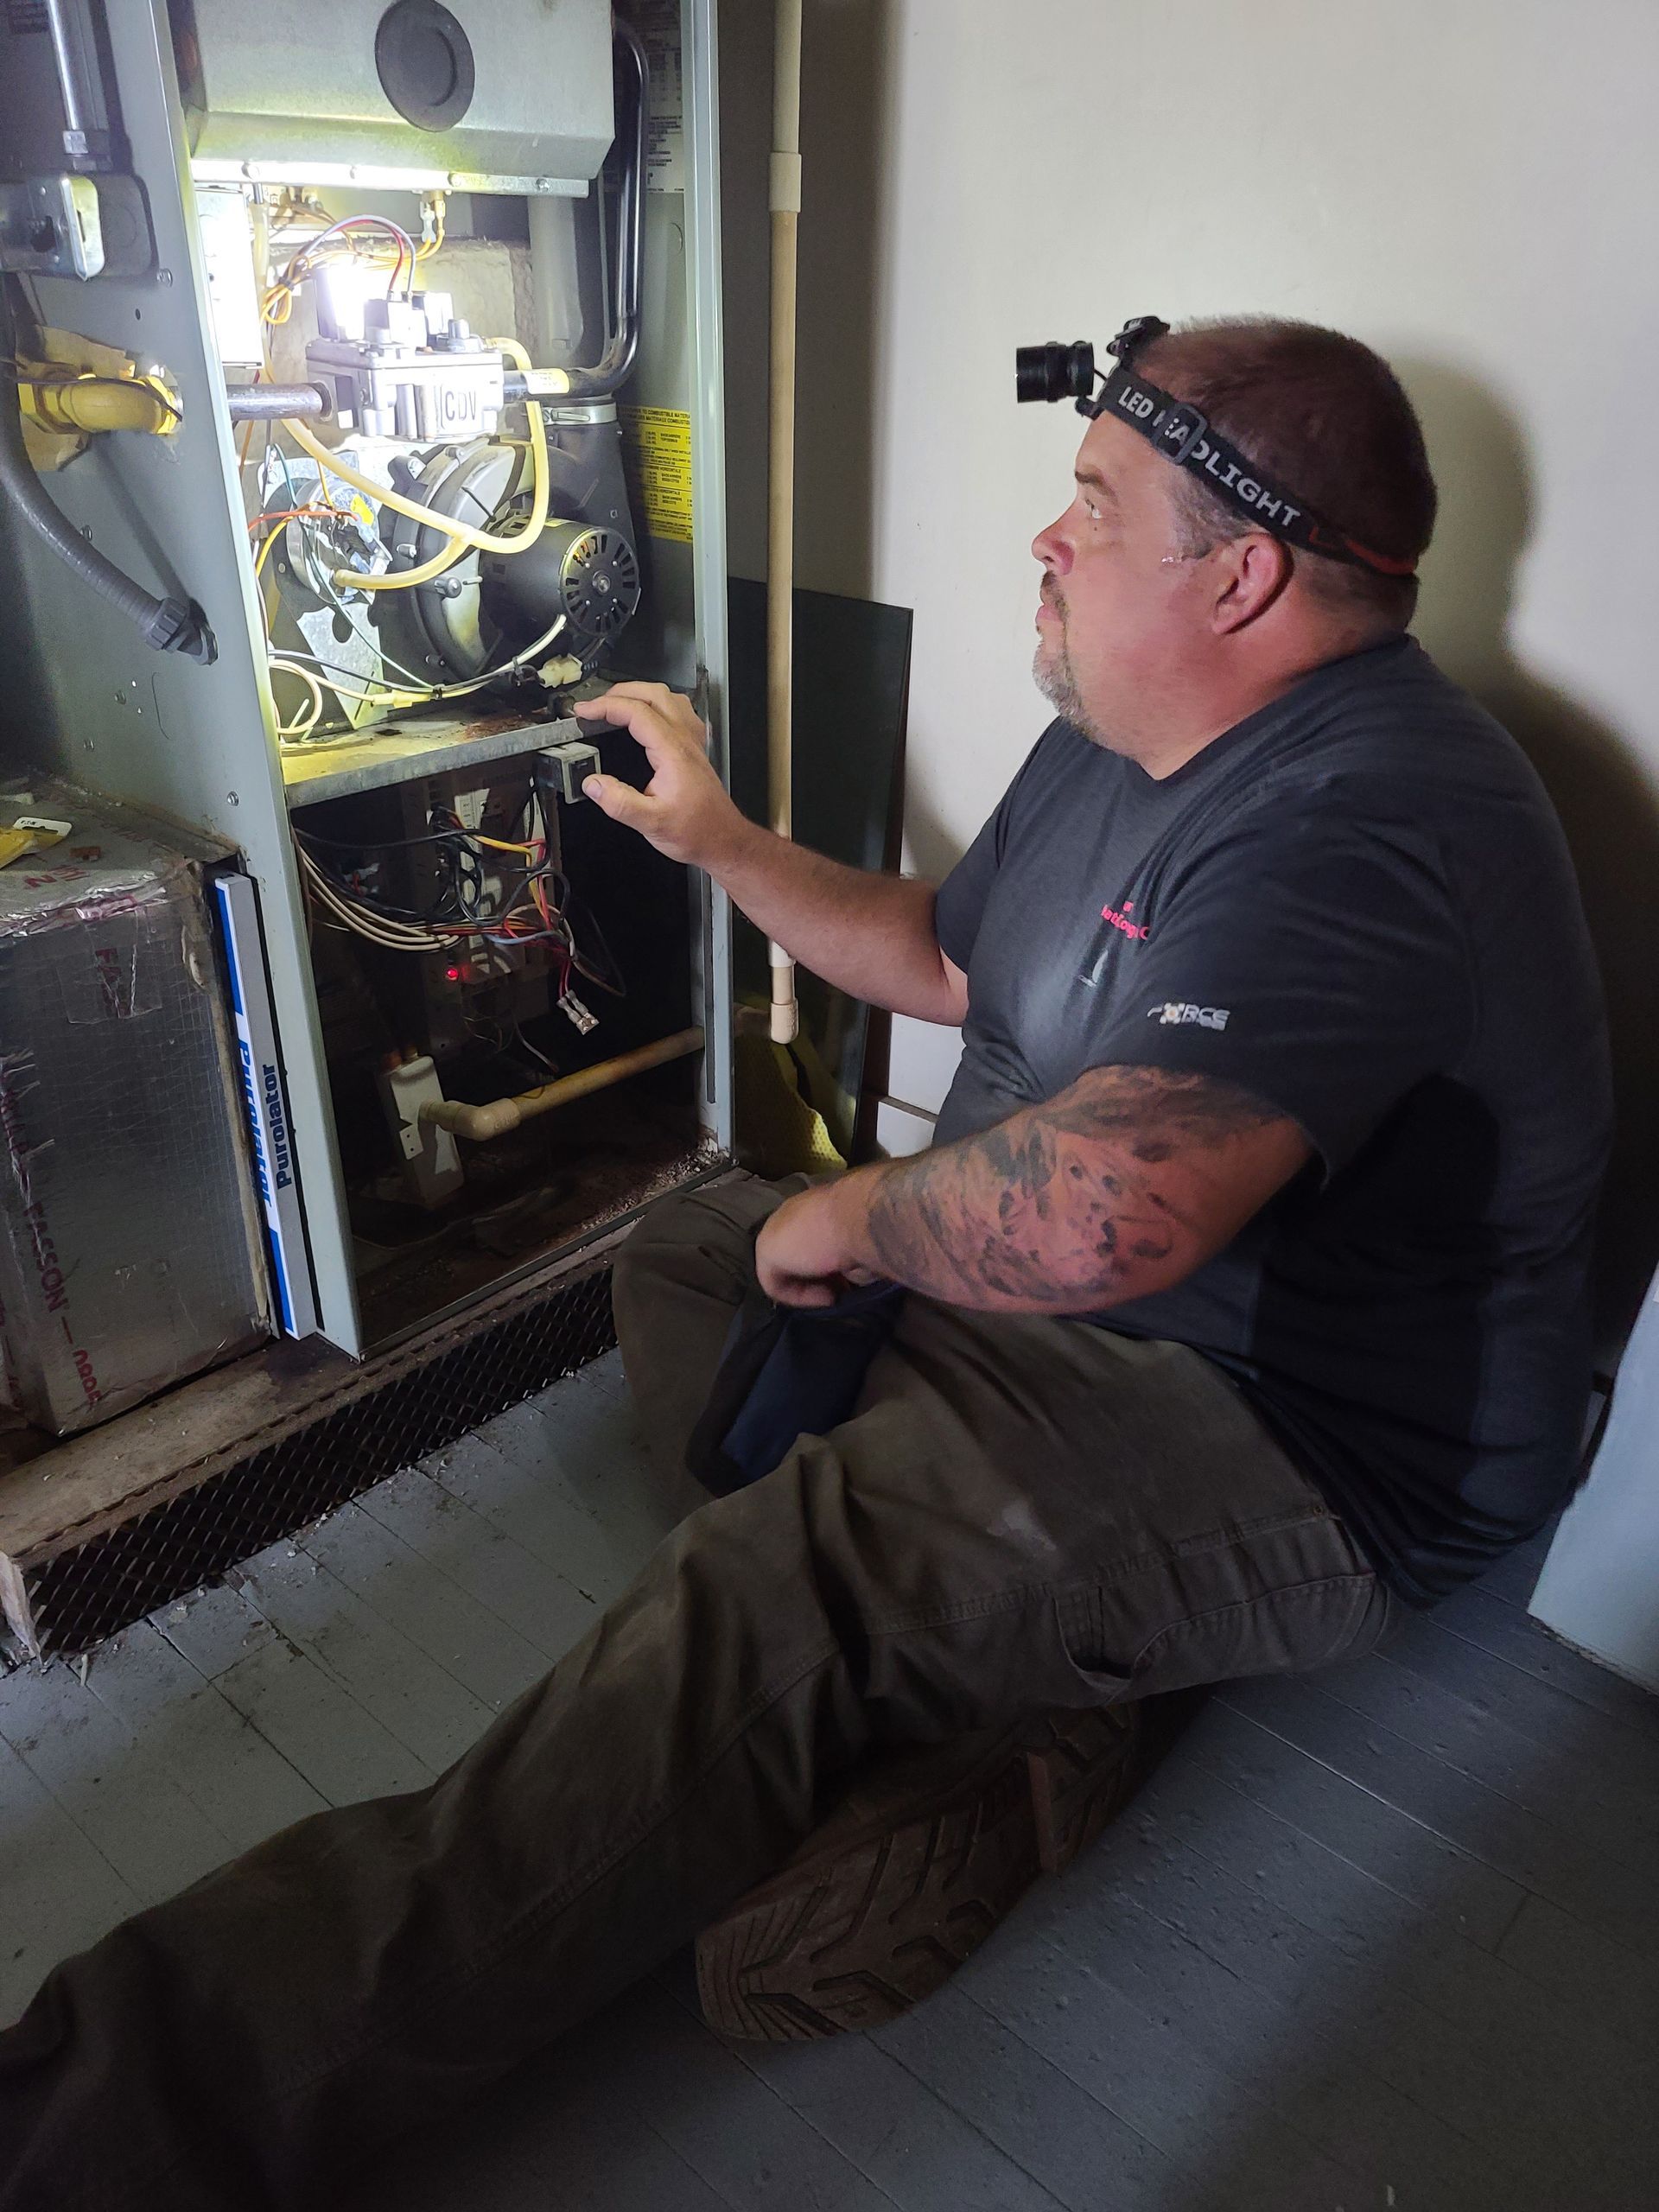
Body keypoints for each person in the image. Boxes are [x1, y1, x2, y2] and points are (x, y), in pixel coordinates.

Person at [0, 316, 1610, 2211]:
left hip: (1291, 1429)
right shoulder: (1126, 726)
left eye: (1094, 505)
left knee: (781, 1575)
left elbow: (1115, 1212)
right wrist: (725, 843)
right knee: (688, 1259)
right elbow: (944, 953)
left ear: (1242, 568)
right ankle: (991, 1695)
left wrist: (854, 1212)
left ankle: (90, 2117)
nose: (1049, 541)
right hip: (1066, 1324)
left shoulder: (1380, 809)